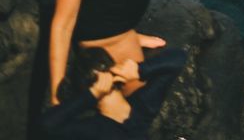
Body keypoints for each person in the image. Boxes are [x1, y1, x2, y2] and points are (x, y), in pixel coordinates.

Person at [41, 45, 187, 139]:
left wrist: (139, 70)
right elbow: (45, 126)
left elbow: (179, 57)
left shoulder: (142, 107)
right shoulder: (93, 130)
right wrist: (92, 94)